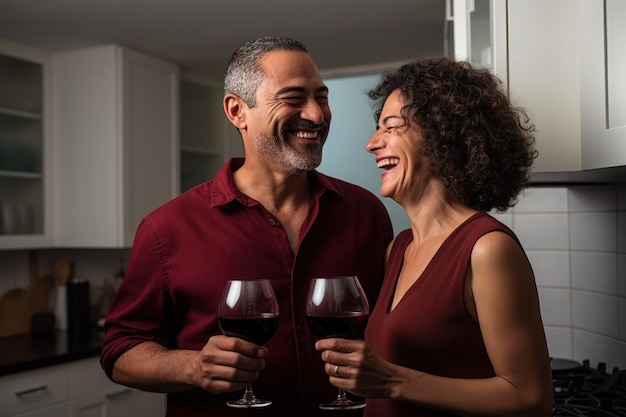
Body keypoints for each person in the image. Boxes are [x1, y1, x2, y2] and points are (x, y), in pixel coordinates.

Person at [100, 36, 394, 417]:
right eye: (292, 98)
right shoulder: (167, 228)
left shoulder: (365, 211)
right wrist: (192, 367)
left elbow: (391, 326)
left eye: (321, 97)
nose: (318, 115)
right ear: (237, 110)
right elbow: (120, 350)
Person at [314, 57, 554, 417]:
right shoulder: (400, 247)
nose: (371, 144)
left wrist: (393, 382)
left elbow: (531, 398)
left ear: (443, 134)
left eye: (391, 127)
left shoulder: (487, 249)